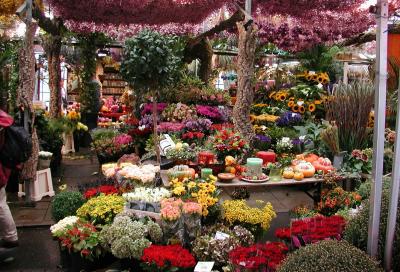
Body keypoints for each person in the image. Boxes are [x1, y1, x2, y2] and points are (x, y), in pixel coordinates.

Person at [0, 110, 18, 253]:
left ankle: (11, 237)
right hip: (3, 168)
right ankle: (10, 236)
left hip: (1, 170)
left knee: (0, 204)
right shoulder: (4, 120)